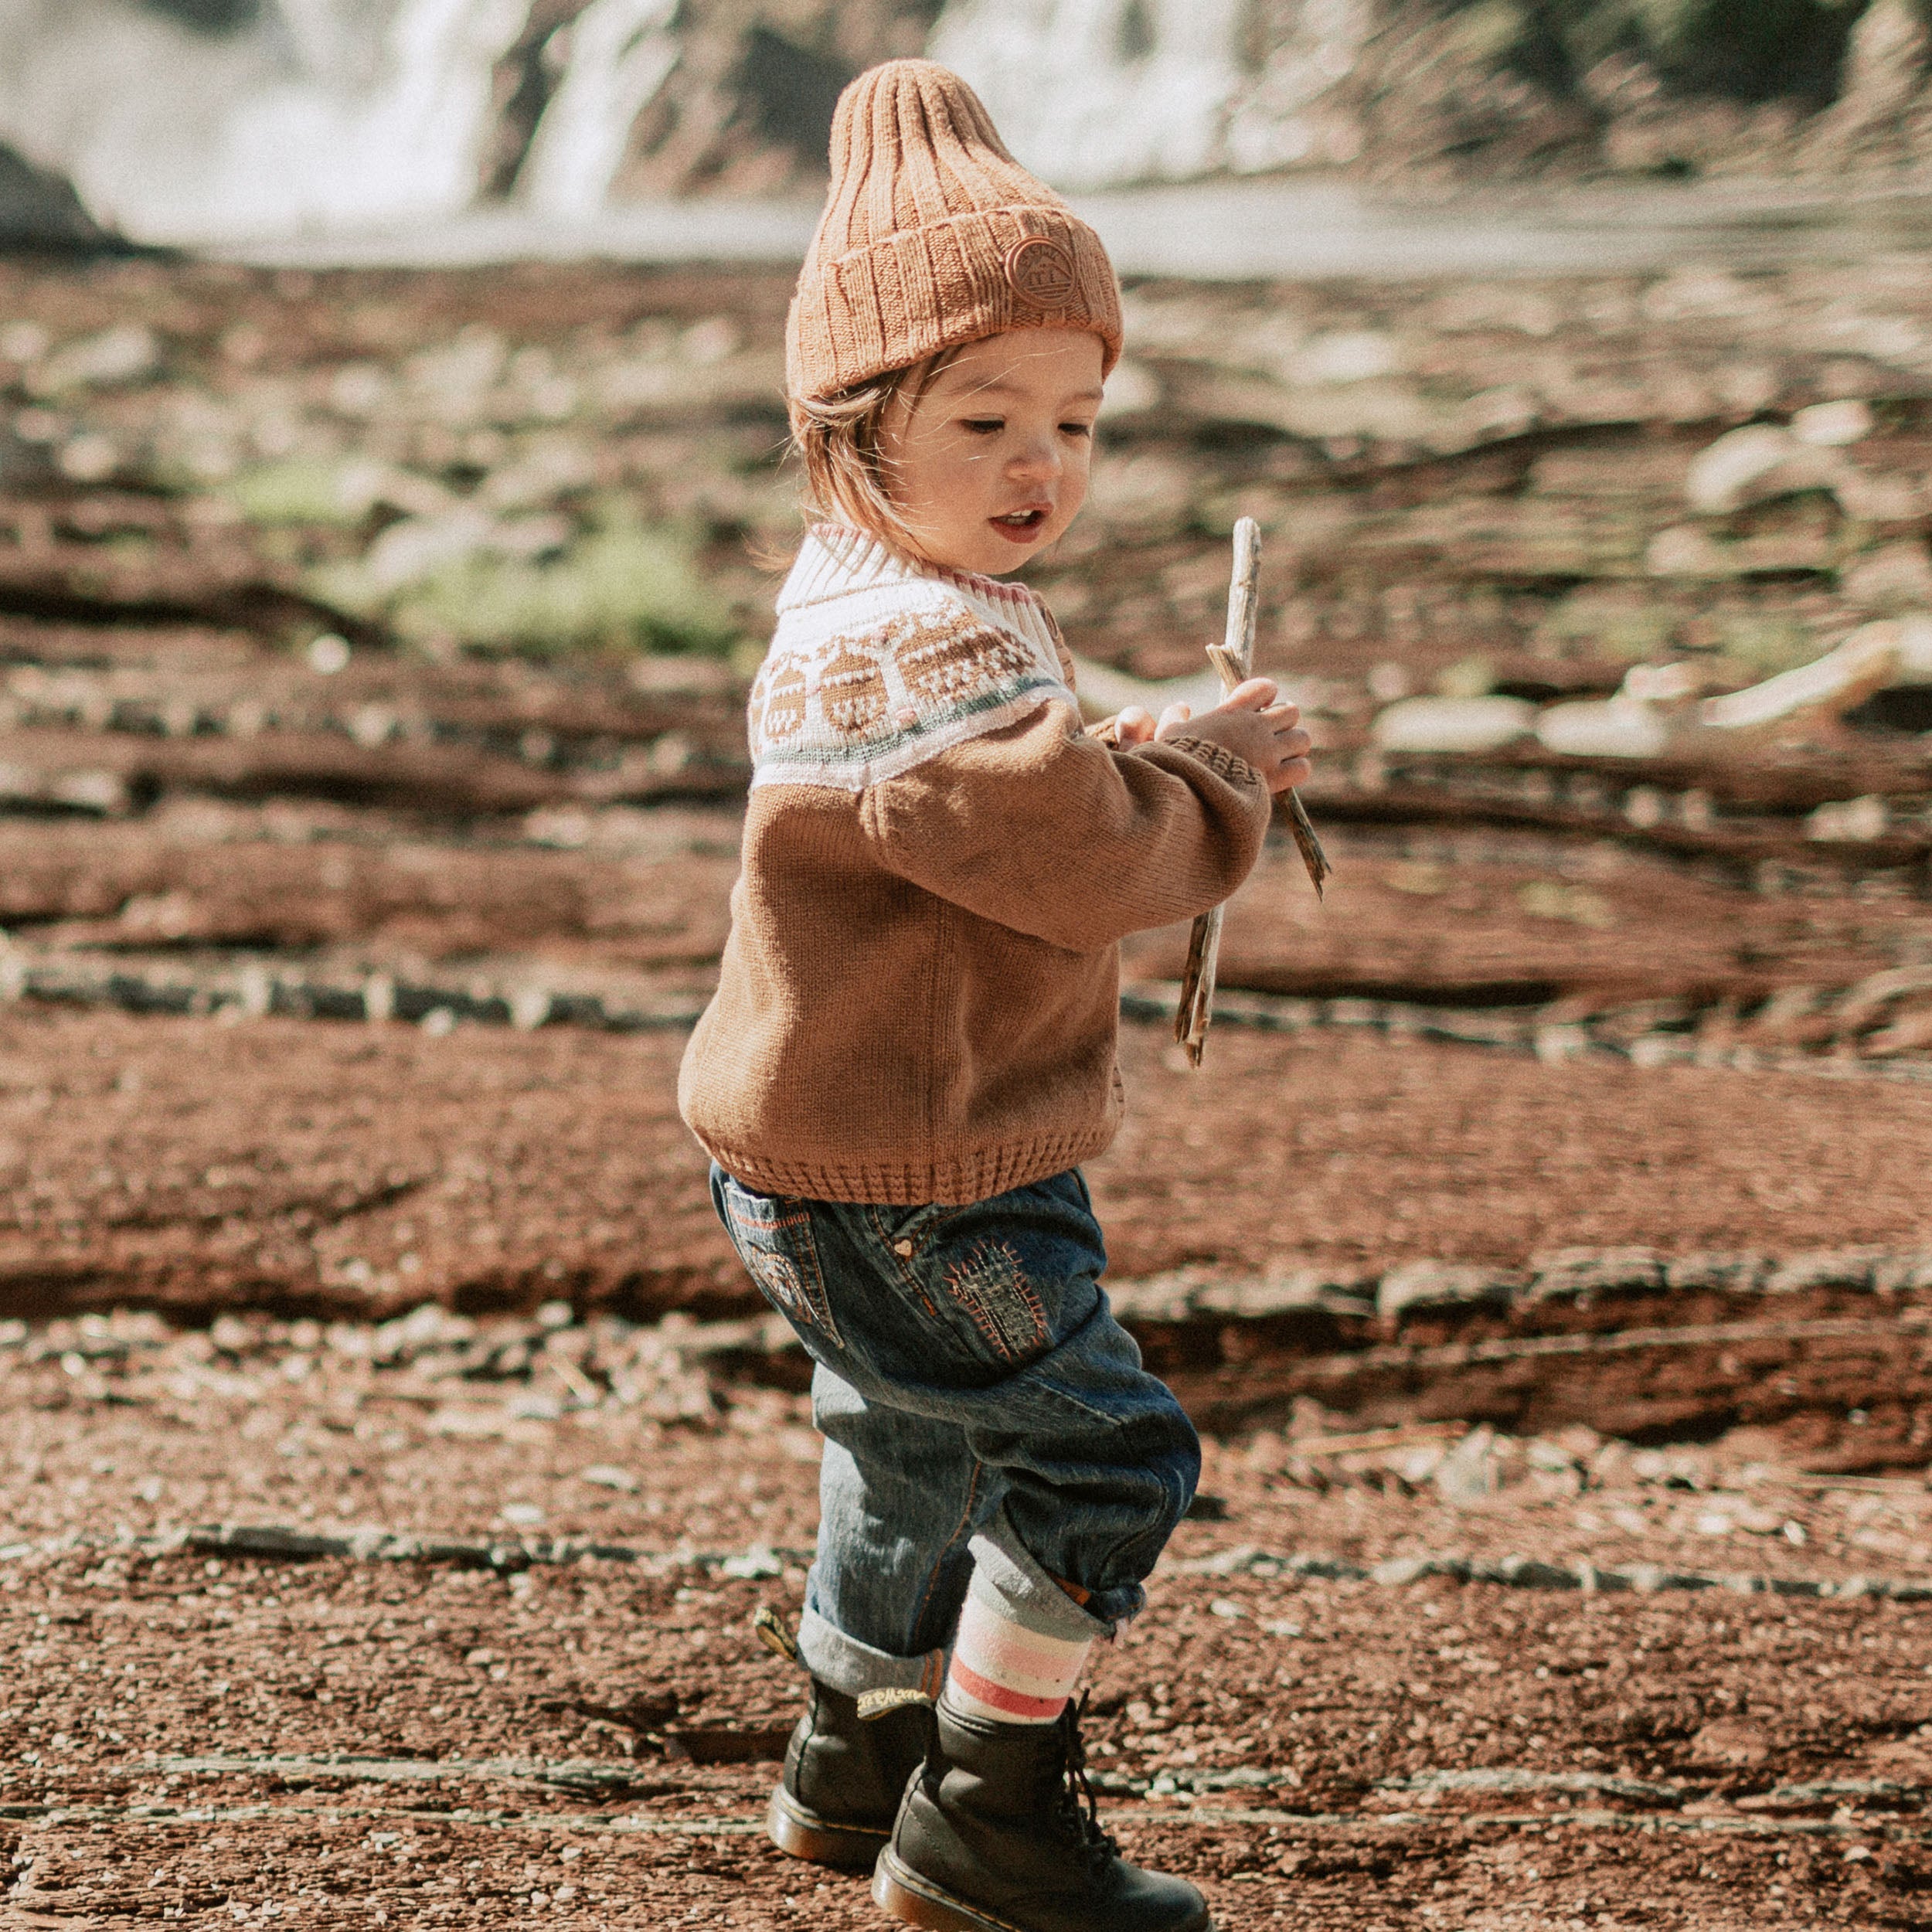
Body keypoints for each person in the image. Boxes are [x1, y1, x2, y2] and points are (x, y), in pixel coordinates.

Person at [678, 58, 1313, 1932]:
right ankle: (985, 1806)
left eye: (1076, 419)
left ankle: (849, 1751)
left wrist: (1141, 741)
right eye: (983, 418)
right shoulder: (924, 648)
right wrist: (1212, 786)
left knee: (907, 1433)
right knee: (1113, 1451)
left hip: (819, 1145)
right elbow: (1084, 854)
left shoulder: (866, 602)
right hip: (929, 1169)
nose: (1040, 466)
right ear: (850, 424)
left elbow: (998, 794)